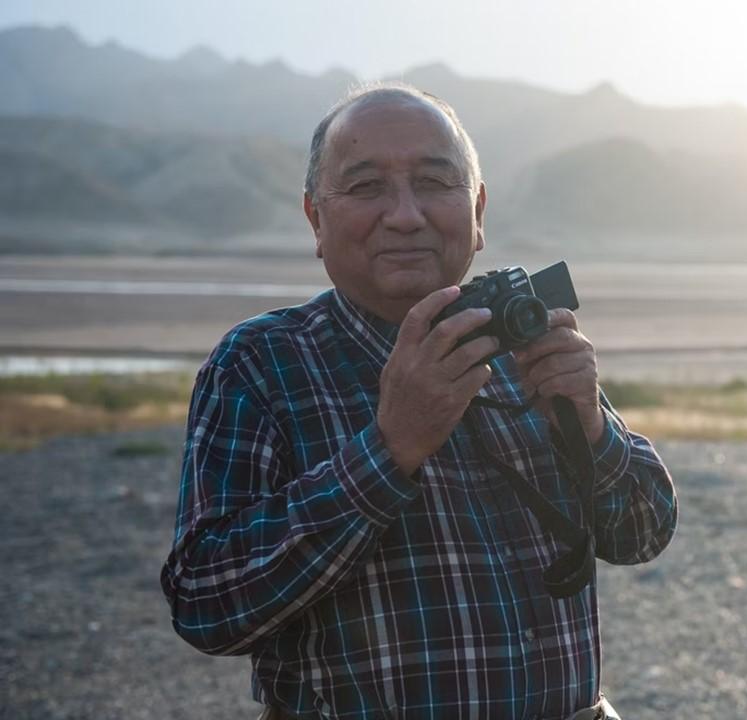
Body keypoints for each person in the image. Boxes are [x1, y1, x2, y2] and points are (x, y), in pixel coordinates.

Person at [161, 83, 678, 720]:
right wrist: (389, 450)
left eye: (435, 182)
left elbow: (644, 532)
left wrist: (592, 429)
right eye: (365, 186)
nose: (405, 215)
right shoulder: (264, 363)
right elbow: (206, 605)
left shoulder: (523, 342)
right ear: (315, 219)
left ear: (479, 210)